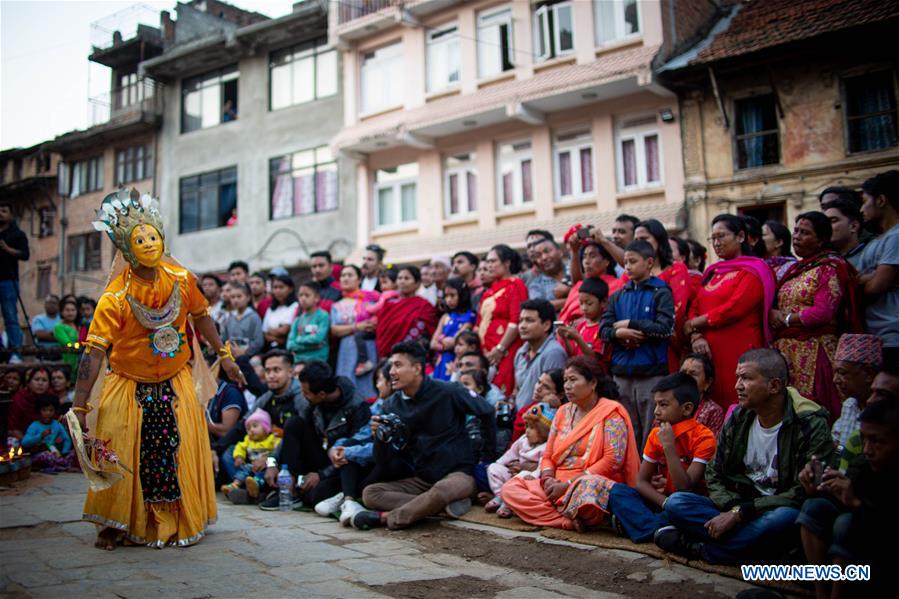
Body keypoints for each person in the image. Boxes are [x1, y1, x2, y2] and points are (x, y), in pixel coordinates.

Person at [74, 189, 245, 550]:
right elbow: (93, 352)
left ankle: (182, 517)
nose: (149, 244)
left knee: (179, 447)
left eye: (153, 236)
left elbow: (201, 317)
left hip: (175, 377)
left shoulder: (182, 279)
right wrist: (79, 404)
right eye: (140, 239)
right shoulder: (115, 298)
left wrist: (225, 354)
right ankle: (115, 522)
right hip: (127, 382)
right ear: (125, 246)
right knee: (118, 447)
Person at [655, 349, 833, 565]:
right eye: (737, 377)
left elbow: (801, 493)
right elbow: (714, 473)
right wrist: (733, 508)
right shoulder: (740, 417)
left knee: (784, 518)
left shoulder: (809, 423)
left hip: (772, 510)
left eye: (746, 378)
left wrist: (741, 514)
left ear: (774, 386)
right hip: (738, 504)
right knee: (677, 503)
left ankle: (702, 549)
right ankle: (757, 550)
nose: (737, 386)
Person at [351, 342, 496, 530]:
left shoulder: (449, 391)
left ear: (417, 368)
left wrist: (487, 459)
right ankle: (438, 508)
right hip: (422, 479)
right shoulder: (391, 405)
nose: (391, 372)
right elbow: (384, 461)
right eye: (391, 366)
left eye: (398, 365)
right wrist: (379, 436)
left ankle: (387, 518)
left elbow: (487, 411)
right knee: (371, 493)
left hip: (458, 475)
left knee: (442, 490)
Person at [502, 357, 639, 531]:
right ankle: (564, 521)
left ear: (593, 383)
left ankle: (558, 513)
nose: (567, 386)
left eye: (573, 380)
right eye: (565, 380)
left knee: (587, 497)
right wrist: (547, 479)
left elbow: (613, 460)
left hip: (586, 484)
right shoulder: (562, 412)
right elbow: (548, 455)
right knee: (510, 489)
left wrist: (567, 486)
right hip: (556, 483)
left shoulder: (611, 412)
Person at [797, 396, 899, 599]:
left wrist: (855, 503)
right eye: (864, 439)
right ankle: (821, 593)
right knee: (814, 507)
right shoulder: (863, 463)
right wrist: (820, 485)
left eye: (877, 441)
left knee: (846, 524)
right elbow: (846, 491)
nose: (868, 449)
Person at [770, 212, 860, 421]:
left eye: (805, 233)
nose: (797, 236)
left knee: (816, 411)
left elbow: (822, 312)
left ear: (821, 239)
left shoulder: (830, 267)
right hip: (786, 352)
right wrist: (773, 312)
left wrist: (785, 319)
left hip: (816, 350)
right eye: (796, 231)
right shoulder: (794, 269)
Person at [607, 373, 716, 543]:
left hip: (689, 504)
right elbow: (641, 482)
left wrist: (669, 446)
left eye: (663, 405)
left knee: (680, 507)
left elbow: (685, 487)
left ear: (686, 409)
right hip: (665, 502)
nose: (656, 411)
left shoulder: (704, 438)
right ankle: (658, 528)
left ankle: (639, 525)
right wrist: (665, 503)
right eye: (656, 404)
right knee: (617, 491)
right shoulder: (656, 434)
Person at [684, 214, 776, 410]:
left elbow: (735, 308)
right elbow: (694, 307)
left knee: (741, 401)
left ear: (741, 236)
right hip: (709, 352)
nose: (716, 243)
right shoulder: (712, 272)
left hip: (739, 349)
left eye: (721, 236)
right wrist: (696, 336)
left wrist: (696, 322)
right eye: (713, 238)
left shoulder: (755, 269)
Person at [599, 240, 675, 447]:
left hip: (651, 374)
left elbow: (665, 328)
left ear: (649, 262)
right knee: (626, 432)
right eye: (625, 262)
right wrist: (620, 333)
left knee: (651, 433)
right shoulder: (618, 296)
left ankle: (647, 476)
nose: (628, 266)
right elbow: (603, 331)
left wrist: (633, 324)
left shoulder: (661, 292)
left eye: (633, 261)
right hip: (621, 374)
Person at [633, 219, 691, 369]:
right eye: (636, 240)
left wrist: (646, 330)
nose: (640, 244)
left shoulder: (676, 269)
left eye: (644, 239)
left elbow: (677, 309)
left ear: (659, 239)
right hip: (634, 344)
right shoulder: (630, 275)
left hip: (666, 344)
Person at [483, 402, 555, 518]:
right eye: (526, 426)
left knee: (524, 474)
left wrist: (534, 475)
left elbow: (543, 465)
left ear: (544, 431)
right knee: (493, 468)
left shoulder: (546, 447)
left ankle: (508, 504)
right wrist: (499, 463)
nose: (527, 431)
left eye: (532, 428)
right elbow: (510, 454)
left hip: (528, 480)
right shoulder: (523, 440)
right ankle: (500, 495)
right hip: (513, 476)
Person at [856, 170, 899, 357]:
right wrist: (872, 277)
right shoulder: (876, 241)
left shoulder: (896, 237)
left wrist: (869, 280)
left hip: (892, 333)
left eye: (865, 201)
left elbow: (876, 287)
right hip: (874, 335)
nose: (861, 209)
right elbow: (855, 282)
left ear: (881, 200)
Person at [477, 245, 528, 396]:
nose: (488, 265)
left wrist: (500, 349)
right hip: (486, 353)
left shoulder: (515, 284)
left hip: (507, 350)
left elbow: (516, 320)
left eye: (493, 261)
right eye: (487, 261)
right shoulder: (489, 290)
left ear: (506, 263)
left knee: (501, 393)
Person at [374, 265, 438, 368]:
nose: (402, 281)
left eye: (407, 278)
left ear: (417, 283)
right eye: (399, 278)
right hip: (386, 356)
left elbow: (428, 332)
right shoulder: (388, 304)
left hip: (412, 358)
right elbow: (380, 329)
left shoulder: (425, 307)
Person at [330, 265, 379, 396]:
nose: (345, 278)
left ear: (359, 279)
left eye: (350, 275)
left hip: (367, 348)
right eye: (343, 275)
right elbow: (334, 330)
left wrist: (366, 326)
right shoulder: (336, 305)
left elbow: (375, 322)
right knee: (347, 389)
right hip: (346, 350)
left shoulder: (369, 300)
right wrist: (357, 326)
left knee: (368, 388)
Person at [512, 299, 568, 413]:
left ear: (546, 325)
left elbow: (552, 398)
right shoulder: (521, 352)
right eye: (521, 320)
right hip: (520, 419)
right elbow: (517, 390)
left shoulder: (553, 353)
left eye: (529, 320)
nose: (522, 326)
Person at [830, 333, 882, 446]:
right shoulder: (850, 404)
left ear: (868, 373)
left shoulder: (887, 413)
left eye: (842, 373)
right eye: (835, 372)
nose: (835, 380)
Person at [559, 236, 623, 324]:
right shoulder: (579, 284)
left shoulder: (619, 285)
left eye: (592, 256)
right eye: (584, 257)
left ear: (606, 261)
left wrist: (603, 240)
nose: (586, 261)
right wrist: (574, 251)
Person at [220, 410, 278, 502]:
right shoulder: (248, 440)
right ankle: (235, 484)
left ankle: (255, 486)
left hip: (265, 467)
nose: (251, 430)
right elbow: (240, 446)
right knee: (245, 469)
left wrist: (268, 459)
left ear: (266, 427)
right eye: (248, 428)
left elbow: (277, 451)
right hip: (252, 466)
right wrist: (239, 457)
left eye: (255, 426)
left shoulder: (272, 440)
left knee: (262, 474)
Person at [430, 277, 476, 381]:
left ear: (462, 295)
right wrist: (444, 343)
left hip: (456, 360)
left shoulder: (470, 317)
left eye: (452, 295)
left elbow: (454, 342)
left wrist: (441, 340)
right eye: (446, 296)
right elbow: (432, 344)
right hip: (441, 361)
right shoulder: (445, 317)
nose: (448, 300)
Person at [557, 277, 610, 366]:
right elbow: (573, 354)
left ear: (603, 302)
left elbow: (594, 359)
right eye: (581, 303)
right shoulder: (580, 325)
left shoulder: (604, 328)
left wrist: (578, 338)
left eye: (589, 303)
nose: (584, 308)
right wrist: (565, 338)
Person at [0, 201, 29, 359]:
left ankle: (15, 352)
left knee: (10, 316)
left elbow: (25, 255)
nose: (0, 214)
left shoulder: (17, 234)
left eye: (4, 211)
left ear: (11, 215)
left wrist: (8, 249)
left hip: (8, 280)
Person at [21, 395, 75, 472]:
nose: (48, 413)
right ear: (39, 411)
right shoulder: (34, 425)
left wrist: (64, 452)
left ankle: (60, 464)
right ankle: (61, 465)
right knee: (46, 456)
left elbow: (66, 439)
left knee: (73, 453)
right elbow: (24, 442)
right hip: (39, 454)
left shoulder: (57, 424)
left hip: (56, 453)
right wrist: (40, 436)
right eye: (44, 410)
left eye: (51, 410)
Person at [679, 353, 725, 436]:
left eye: (693, 374)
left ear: (707, 383)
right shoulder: (668, 404)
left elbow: (710, 446)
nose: (686, 378)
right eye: (683, 372)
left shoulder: (713, 411)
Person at [286, 280, 330, 364]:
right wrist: (312, 346)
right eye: (300, 295)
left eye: (307, 295)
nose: (303, 298)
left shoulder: (323, 316)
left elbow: (318, 338)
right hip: (299, 362)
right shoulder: (297, 320)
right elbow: (289, 345)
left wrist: (299, 339)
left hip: (317, 362)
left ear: (316, 298)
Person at [219, 282, 264, 359]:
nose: (236, 300)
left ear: (248, 297)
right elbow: (224, 338)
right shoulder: (229, 317)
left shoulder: (254, 317)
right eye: (233, 297)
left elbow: (258, 341)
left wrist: (245, 351)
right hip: (231, 354)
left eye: (239, 296)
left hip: (249, 355)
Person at [822, 197, 868, 269]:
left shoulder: (872, 254)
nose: (826, 227)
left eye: (833, 221)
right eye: (824, 222)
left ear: (853, 226)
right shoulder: (821, 260)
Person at [6, 366, 50, 440]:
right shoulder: (19, 398)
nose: (40, 383)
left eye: (44, 380)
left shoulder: (52, 398)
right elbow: (13, 428)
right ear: (28, 383)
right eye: (36, 379)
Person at [527, 238, 569, 312]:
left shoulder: (576, 268)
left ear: (560, 252)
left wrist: (569, 291)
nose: (544, 257)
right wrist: (574, 299)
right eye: (538, 255)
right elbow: (539, 308)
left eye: (547, 251)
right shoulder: (535, 285)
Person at [261, 274, 298, 350]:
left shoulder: (295, 306)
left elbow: (284, 331)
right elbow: (264, 332)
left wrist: (270, 330)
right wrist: (278, 338)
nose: (278, 291)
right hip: (269, 347)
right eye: (275, 287)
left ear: (290, 289)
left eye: (281, 287)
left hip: (286, 348)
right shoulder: (271, 309)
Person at [53, 298, 80, 377]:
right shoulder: (59, 327)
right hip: (65, 360)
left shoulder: (80, 326)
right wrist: (80, 345)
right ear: (61, 312)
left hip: (79, 361)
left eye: (73, 310)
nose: (70, 313)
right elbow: (67, 343)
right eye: (67, 310)